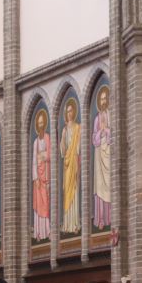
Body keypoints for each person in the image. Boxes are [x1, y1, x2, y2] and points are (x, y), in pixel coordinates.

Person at [60, 98, 81, 234]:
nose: (69, 114)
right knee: (67, 192)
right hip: (67, 164)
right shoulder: (64, 130)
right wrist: (63, 138)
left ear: (74, 112)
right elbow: (62, 150)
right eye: (67, 112)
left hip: (74, 162)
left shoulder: (78, 128)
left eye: (71, 111)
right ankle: (67, 224)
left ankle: (75, 223)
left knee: (75, 190)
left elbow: (78, 147)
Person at [92, 86, 112, 230]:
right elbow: (94, 138)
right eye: (102, 99)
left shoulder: (112, 115)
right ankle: (100, 219)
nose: (103, 101)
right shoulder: (97, 118)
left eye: (105, 99)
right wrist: (100, 132)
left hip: (109, 153)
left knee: (110, 185)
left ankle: (110, 217)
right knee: (99, 187)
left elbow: (114, 133)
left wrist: (107, 130)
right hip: (99, 155)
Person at [32, 109, 51, 241]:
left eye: (42, 123)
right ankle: (39, 232)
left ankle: (47, 230)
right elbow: (34, 160)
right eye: (39, 123)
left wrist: (43, 156)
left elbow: (50, 154)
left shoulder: (48, 138)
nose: (41, 125)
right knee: (39, 204)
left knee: (46, 203)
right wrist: (35, 178)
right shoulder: (35, 142)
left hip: (46, 175)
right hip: (38, 177)